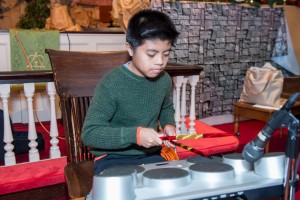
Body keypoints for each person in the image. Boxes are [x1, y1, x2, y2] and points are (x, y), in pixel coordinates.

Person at [81, 9, 180, 174]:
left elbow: (165, 108)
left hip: (151, 155)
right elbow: (90, 134)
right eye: (151, 54)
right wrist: (135, 135)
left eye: (166, 54)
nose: (160, 62)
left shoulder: (164, 80)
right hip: (112, 158)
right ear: (130, 49)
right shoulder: (111, 83)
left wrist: (169, 125)